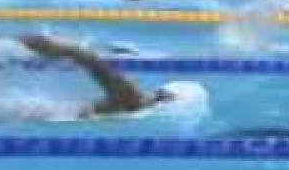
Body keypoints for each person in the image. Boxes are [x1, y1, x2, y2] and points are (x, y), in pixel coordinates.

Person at [18, 34, 185, 118]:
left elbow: (90, 60)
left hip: (65, 112)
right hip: (65, 113)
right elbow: (91, 61)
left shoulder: (129, 95)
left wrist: (53, 47)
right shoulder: (130, 98)